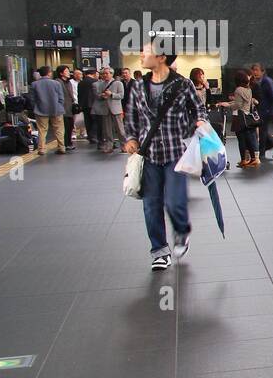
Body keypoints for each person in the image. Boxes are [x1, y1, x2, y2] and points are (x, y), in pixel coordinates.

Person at [123, 40, 207, 271]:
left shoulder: (182, 84)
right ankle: (159, 251)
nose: (141, 54)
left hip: (175, 152)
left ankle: (181, 232)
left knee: (174, 201)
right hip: (148, 154)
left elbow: (198, 108)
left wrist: (200, 120)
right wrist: (130, 138)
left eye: (146, 51)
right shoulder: (138, 87)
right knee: (151, 205)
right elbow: (131, 117)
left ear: (161, 57)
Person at [217, 68, 259, 167]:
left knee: (241, 140)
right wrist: (229, 103)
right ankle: (253, 159)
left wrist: (228, 105)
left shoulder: (238, 90)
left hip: (239, 118)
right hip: (247, 117)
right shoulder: (248, 90)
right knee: (248, 139)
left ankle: (243, 160)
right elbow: (242, 102)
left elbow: (238, 105)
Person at [250, 63, 273, 159]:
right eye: (253, 70)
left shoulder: (268, 81)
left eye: (257, 70)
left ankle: (262, 153)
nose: (255, 72)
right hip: (259, 111)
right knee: (262, 131)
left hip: (267, 110)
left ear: (263, 71)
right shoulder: (255, 82)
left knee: (262, 131)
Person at [30, 67, 67, 156]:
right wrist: (59, 106)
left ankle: (41, 149)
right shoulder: (56, 83)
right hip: (56, 109)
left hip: (40, 110)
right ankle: (61, 147)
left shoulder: (34, 84)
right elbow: (61, 97)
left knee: (42, 130)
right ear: (49, 73)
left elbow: (32, 99)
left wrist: (35, 107)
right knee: (59, 129)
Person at [94, 66, 127, 153]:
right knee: (107, 130)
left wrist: (111, 94)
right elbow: (97, 95)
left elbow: (121, 95)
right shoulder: (100, 84)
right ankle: (109, 146)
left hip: (116, 109)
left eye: (107, 73)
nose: (105, 75)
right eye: (103, 74)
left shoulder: (118, 83)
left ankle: (124, 145)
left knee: (120, 129)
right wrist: (102, 96)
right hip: (105, 109)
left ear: (111, 74)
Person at [55, 66, 76, 150]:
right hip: (62, 108)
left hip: (69, 108)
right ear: (61, 73)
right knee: (64, 127)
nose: (68, 72)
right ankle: (64, 144)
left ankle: (68, 142)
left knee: (70, 126)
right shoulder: (57, 82)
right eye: (66, 71)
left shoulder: (69, 82)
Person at [77, 67, 97, 145]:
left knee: (87, 121)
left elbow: (79, 94)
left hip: (84, 104)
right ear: (94, 74)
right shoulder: (95, 82)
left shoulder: (81, 83)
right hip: (93, 104)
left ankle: (90, 136)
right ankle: (93, 135)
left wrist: (80, 104)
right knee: (95, 121)